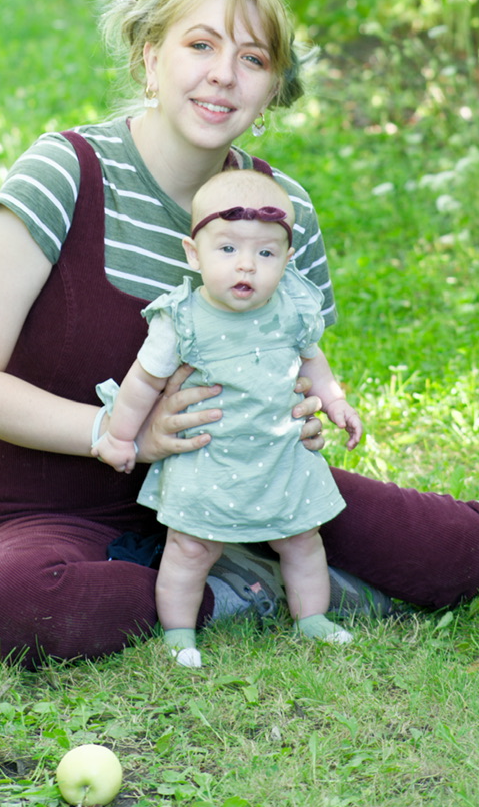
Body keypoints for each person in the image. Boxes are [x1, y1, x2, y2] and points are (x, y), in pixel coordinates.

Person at [0, 0, 479, 667]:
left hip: (241, 486)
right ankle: (237, 594)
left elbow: (290, 359)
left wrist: (298, 410)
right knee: (24, 607)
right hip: (52, 506)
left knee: (458, 563)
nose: (223, 74)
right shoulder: (64, 173)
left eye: (252, 58)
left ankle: (477, 529)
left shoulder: (276, 209)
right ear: (150, 59)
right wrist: (124, 434)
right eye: (200, 45)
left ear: (271, 87)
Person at [92, 169, 363, 668]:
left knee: (302, 538)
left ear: (286, 259)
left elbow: (313, 360)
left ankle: (312, 619)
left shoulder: (292, 308)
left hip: (280, 453)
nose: (247, 266)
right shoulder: (183, 319)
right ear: (193, 254)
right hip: (207, 459)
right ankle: (179, 633)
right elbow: (143, 383)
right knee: (190, 549)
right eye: (227, 250)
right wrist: (120, 436)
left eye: (265, 253)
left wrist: (334, 401)